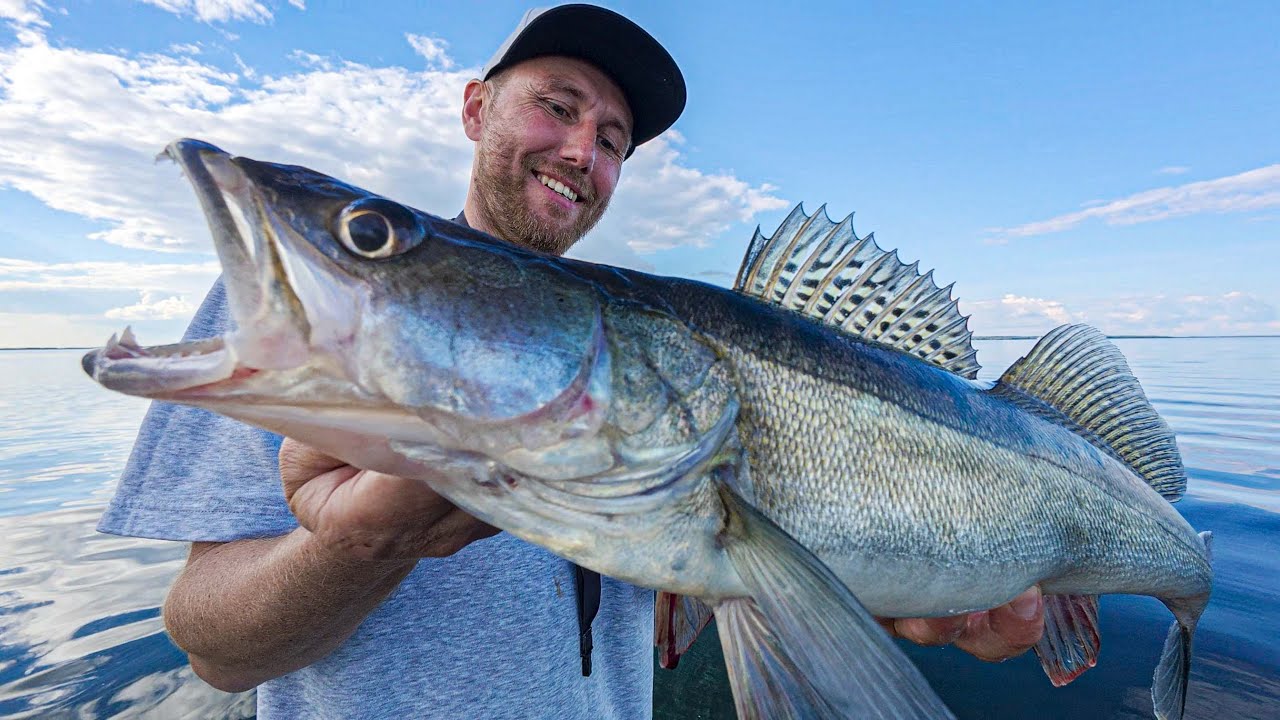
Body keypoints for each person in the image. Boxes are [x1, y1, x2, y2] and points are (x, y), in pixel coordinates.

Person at [98, 5, 1044, 719]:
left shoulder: (651, 368)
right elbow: (215, 649)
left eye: (613, 139)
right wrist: (354, 545)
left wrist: (918, 605)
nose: (580, 150)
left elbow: (739, 566)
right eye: (557, 107)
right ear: (476, 108)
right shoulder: (298, 330)